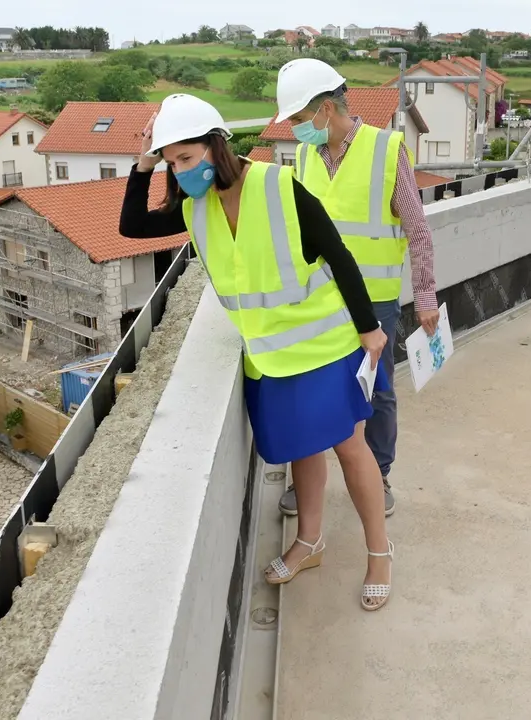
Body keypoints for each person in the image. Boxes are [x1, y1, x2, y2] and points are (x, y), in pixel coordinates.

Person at [119, 93, 395, 611]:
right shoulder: (193, 206)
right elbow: (131, 228)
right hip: (271, 356)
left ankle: (379, 553)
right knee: (304, 449)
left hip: (328, 345)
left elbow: (339, 254)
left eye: (186, 158)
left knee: (349, 448)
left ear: (215, 146)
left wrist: (369, 329)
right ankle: (310, 541)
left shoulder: (278, 185)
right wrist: (143, 163)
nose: (180, 172)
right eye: (171, 161)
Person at [273, 58, 440, 519]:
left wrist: (425, 296)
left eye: (299, 119)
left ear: (327, 108)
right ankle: (307, 483)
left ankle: (379, 473)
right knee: (313, 388)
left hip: (375, 301)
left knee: (376, 391)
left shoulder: (387, 149)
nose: (295, 129)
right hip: (319, 300)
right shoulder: (306, 155)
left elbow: (418, 230)